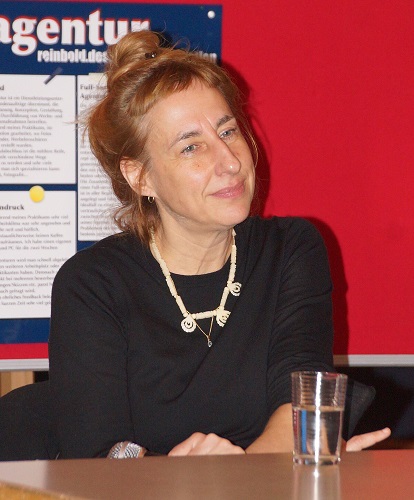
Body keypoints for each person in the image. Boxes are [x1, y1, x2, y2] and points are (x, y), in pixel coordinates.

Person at [48, 30, 390, 458]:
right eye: (192, 146)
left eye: (228, 131)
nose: (230, 161)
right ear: (141, 176)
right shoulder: (93, 284)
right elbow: (99, 455)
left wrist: (231, 478)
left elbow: (302, 414)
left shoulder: (290, 250)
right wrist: (183, 480)